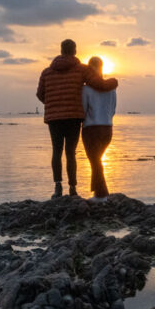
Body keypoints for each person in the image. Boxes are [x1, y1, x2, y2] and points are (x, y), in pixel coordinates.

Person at [36, 39, 118, 198]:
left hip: (54, 118)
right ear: (74, 51)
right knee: (70, 153)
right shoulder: (81, 70)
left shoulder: (46, 72)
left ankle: (57, 188)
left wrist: (53, 104)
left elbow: (40, 94)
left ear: (61, 50)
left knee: (56, 151)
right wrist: (114, 82)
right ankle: (73, 188)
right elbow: (99, 84)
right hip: (73, 117)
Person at [81, 56, 116, 199]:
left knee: (95, 161)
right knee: (96, 160)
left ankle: (102, 195)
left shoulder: (86, 89)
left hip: (91, 129)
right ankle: (97, 192)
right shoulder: (112, 89)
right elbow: (113, 110)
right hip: (107, 128)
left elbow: (83, 110)